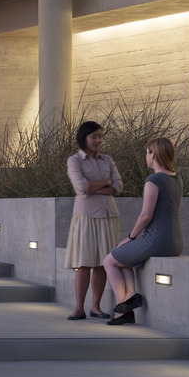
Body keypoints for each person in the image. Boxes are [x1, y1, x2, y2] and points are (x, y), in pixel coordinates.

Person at [102, 136, 181, 325]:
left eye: (147, 152)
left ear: (153, 154)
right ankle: (130, 296)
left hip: (157, 239)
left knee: (109, 261)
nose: (146, 156)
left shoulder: (153, 180)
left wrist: (130, 237)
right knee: (124, 259)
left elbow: (146, 216)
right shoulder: (176, 178)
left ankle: (122, 308)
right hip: (175, 241)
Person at [64, 121, 123, 320]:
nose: (98, 140)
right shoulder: (74, 161)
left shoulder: (108, 160)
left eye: (100, 136)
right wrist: (105, 183)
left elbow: (118, 186)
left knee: (102, 263)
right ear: (84, 138)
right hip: (85, 216)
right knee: (84, 263)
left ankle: (96, 307)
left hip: (108, 215)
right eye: (94, 137)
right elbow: (81, 188)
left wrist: (96, 186)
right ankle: (78, 308)